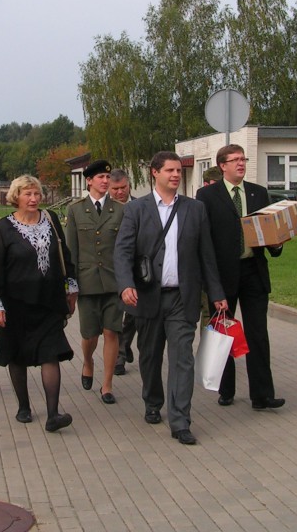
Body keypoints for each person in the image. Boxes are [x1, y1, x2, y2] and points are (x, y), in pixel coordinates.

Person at [114, 151, 227, 446]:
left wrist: (217, 294)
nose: (176, 175)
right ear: (155, 173)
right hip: (147, 297)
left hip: (182, 298)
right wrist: (126, 284)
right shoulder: (136, 210)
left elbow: (207, 255)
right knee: (149, 357)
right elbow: (123, 251)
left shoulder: (195, 209)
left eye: (178, 170)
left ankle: (180, 420)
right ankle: (153, 401)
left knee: (183, 359)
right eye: (169, 170)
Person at [0, 175, 77, 432]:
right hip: (15, 304)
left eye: (37, 194)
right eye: (28, 194)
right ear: (17, 197)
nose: (34, 199)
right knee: (17, 354)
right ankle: (24, 406)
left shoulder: (51, 220)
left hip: (49, 302)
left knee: (51, 353)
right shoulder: (4, 227)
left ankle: (52, 415)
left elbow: (64, 256)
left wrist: (72, 288)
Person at [196, 144, 284, 410]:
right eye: (235, 160)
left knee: (258, 333)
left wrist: (277, 244)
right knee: (224, 333)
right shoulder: (207, 195)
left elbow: (269, 231)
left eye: (243, 159)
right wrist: (211, 284)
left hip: (253, 271)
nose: (241, 164)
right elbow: (204, 242)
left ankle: (262, 395)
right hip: (223, 275)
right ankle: (226, 389)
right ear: (222, 165)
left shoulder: (258, 193)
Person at [64, 159, 125, 403]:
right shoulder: (75, 209)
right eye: (100, 177)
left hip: (113, 282)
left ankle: (107, 385)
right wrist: (70, 286)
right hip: (87, 282)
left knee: (112, 331)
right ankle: (88, 362)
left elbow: (124, 249)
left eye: (107, 177)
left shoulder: (120, 210)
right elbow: (71, 251)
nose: (105, 181)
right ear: (89, 181)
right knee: (90, 334)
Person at [109, 168, 137, 375]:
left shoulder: (140, 206)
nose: (120, 192)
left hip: (137, 270)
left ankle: (125, 344)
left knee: (134, 315)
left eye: (123, 188)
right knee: (115, 315)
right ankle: (119, 357)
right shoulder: (104, 209)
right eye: (115, 189)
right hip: (111, 270)